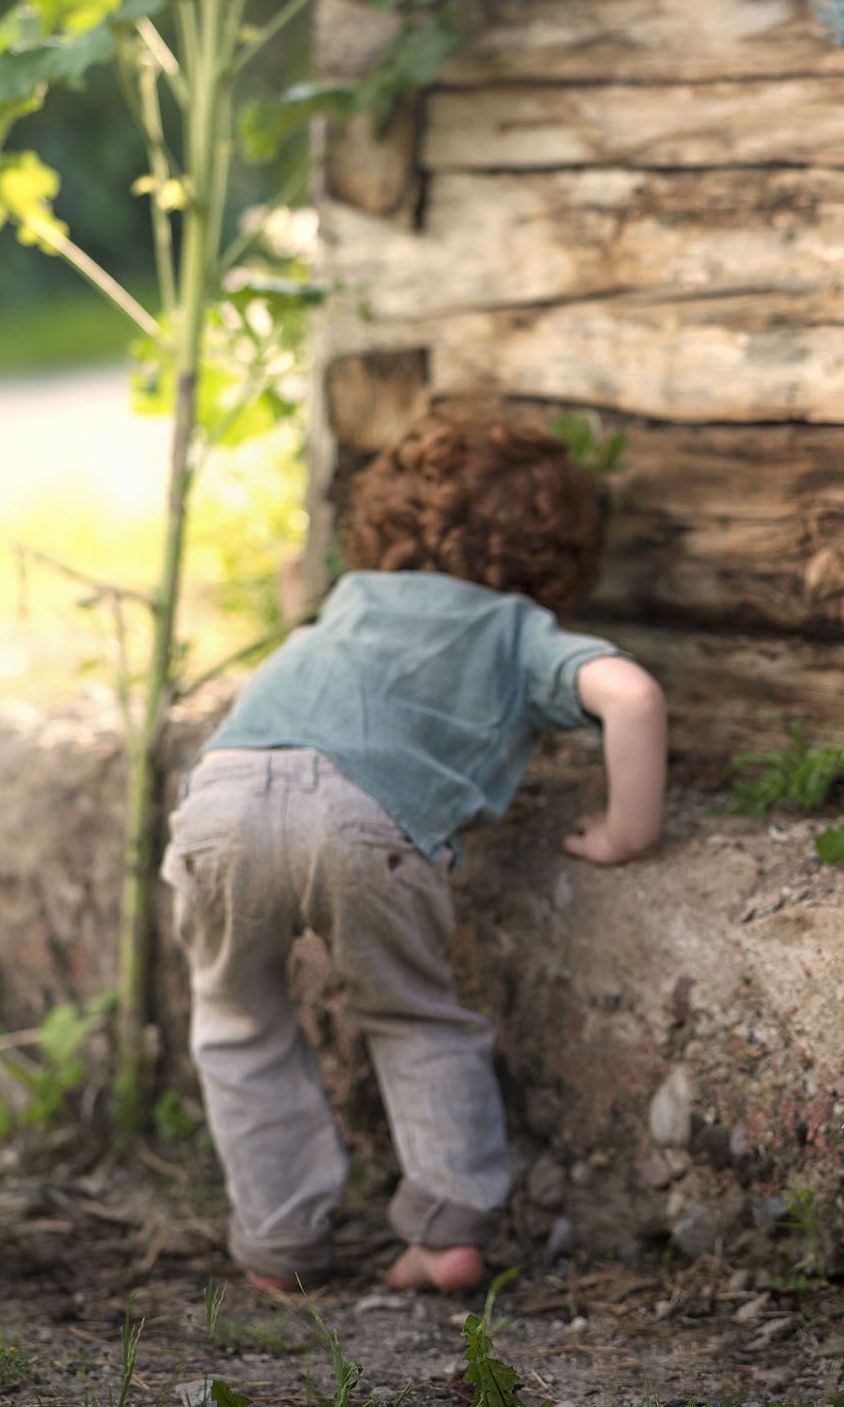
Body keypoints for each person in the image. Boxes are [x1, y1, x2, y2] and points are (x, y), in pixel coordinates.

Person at [160, 411, 668, 1296]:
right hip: (368, 822)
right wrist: (629, 831)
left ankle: (279, 1245)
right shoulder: (516, 628)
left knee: (238, 1023)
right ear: (558, 556)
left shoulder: (352, 596)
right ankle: (445, 1230)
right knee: (413, 1016)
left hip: (224, 797)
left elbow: (306, 645)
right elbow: (629, 693)